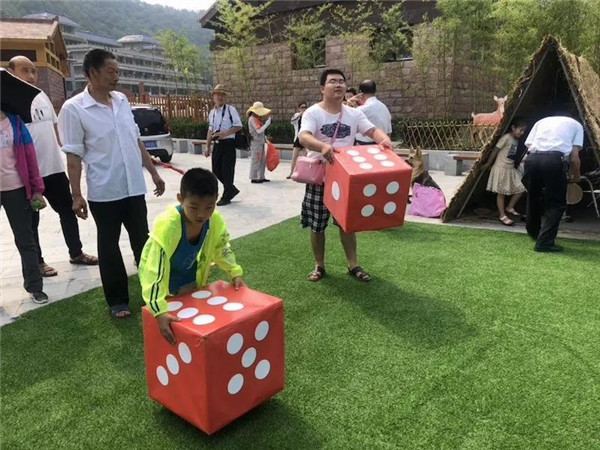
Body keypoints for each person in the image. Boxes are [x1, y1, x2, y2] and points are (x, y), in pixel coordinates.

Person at [58, 49, 166, 318]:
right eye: (111, 72)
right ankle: (117, 301)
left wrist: (153, 173)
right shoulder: (74, 108)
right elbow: (73, 156)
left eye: (118, 71)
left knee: (142, 241)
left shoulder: (121, 100)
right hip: (104, 191)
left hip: (134, 187)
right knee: (109, 246)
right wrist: (76, 195)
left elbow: (135, 140)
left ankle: (153, 290)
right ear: (91, 73)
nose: (117, 77)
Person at [299, 69, 393, 282]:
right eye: (332, 81)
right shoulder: (313, 113)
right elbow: (304, 136)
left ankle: (353, 264)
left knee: (347, 224)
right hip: (320, 178)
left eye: (341, 81)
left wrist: (384, 139)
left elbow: (372, 131)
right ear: (322, 88)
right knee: (317, 225)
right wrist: (322, 146)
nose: (338, 85)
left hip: (345, 179)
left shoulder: (354, 114)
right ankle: (319, 265)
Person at [8, 55, 98, 277]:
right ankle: (37, 262)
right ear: (11, 73)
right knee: (31, 221)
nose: (31, 76)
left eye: (33, 71)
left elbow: (58, 132)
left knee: (68, 211)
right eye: (24, 71)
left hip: (54, 169)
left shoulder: (41, 96)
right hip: (28, 175)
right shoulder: (8, 103)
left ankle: (76, 253)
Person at [139, 168, 244, 344]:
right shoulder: (168, 225)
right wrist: (158, 310)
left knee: (192, 334)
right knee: (168, 334)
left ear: (216, 200)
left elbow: (221, 247)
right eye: (194, 207)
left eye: (209, 207)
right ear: (180, 199)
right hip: (164, 285)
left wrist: (234, 272)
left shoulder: (214, 221)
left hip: (191, 280)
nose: (201, 214)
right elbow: (153, 268)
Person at [0, 109, 48, 303]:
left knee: (25, 239)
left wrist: (37, 189)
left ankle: (35, 287)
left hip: (16, 189)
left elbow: (30, 157)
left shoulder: (16, 123)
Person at [522, 113, 583, 252]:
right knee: (556, 203)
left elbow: (530, 145)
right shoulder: (577, 126)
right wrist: (576, 176)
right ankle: (544, 242)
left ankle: (534, 232)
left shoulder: (541, 121)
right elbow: (574, 158)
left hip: (532, 159)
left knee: (533, 197)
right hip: (553, 161)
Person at [483, 117, 527, 226]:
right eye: (520, 130)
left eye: (523, 131)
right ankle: (502, 215)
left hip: (510, 169)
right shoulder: (506, 138)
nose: (522, 133)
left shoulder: (515, 140)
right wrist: (488, 163)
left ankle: (510, 207)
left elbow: (511, 155)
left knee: (522, 187)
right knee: (501, 193)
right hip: (501, 168)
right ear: (513, 128)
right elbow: (495, 150)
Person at [205, 85, 243, 206]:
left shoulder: (230, 110)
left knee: (227, 171)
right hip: (217, 144)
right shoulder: (212, 113)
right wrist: (207, 146)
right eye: (218, 94)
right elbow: (210, 130)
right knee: (216, 170)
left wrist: (225, 134)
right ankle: (231, 189)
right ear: (213, 96)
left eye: (222, 95)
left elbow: (238, 126)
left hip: (228, 144)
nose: (220, 97)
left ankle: (227, 195)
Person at [355, 80, 393, 146]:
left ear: (361, 94)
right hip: (383, 145)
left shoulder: (360, 110)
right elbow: (389, 132)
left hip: (364, 146)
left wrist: (349, 102)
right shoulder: (384, 107)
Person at [247, 101, 272, 183]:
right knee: (256, 160)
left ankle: (261, 176)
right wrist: (267, 124)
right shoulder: (252, 119)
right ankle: (254, 177)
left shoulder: (256, 118)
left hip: (260, 142)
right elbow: (258, 130)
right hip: (256, 143)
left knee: (262, 160)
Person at [288, 102, 308, 179]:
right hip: (298, 137)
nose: (304, 109)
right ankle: (291, 172)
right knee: (294, 156)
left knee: (306, 156)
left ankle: (305, 173)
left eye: (305, 107)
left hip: (305, 137)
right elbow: (292, 121)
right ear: (299, 108)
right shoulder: (296, 115)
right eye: (302, 107)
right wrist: (300, 114)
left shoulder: (308, 115)